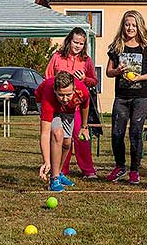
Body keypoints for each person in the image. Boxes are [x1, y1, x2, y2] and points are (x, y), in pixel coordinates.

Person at [105, 10, 147, 184]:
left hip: (141, 96)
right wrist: (117, 71)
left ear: (139, 26)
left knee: (135, 132)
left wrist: (140, 78)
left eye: (134, 25)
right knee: (116, 133)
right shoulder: (116, 47)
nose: (130, 28)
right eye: (127, 24)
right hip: (121, 96)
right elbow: (108, 72)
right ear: (123, 26)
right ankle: (120, 166)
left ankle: (135, 170)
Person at [45, 27, 98, 178]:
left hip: (76, 106)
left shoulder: (86, 60)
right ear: (69, 41)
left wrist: (84, 80)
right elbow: (48, 77)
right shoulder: (57, 57)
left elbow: (94, 81)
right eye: (75, 42)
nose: (77, 46)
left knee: (81, 137)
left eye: (81, 44)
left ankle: (88, 170)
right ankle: (62, 169)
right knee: (61, 138)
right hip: (58, 105)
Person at [36, 71, 90, 192]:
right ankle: (54, 178)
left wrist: (84, 126)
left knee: (67, 143)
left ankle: (58, 172)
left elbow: (85, 105)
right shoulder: (48, 96)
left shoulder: (82, 91)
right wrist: (46, 161)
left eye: (68, 94)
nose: (65, 99)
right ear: (55, 90)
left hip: (69, 109)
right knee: (57, 134)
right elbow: (45, 134)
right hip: (48, 103)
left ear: (74, 89)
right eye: (61, 94)